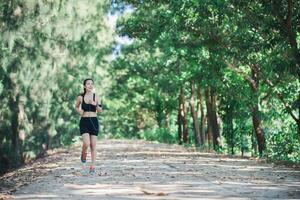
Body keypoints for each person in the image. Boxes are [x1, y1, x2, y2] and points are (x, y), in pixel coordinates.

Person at [75, 78, 103, 175]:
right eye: (88, 84)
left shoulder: (96, 96)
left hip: (94, 122)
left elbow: (100, 110)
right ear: (84, 86)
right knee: (86, 143)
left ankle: (92, 166)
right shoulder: (80, 97)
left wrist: (95, 105)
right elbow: (76, 107)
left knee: (93, 145)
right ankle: (83, 154)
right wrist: (79, 111)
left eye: (91, 84)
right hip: (84, 121)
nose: (90, 85)